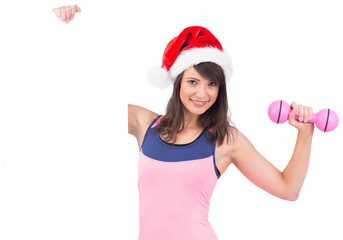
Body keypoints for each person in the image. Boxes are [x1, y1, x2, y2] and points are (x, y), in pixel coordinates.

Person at [128, 26, 314, 240]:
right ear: (178, 82)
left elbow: (288, 189)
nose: (202, 93)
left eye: (212, 84)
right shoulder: (144, 123)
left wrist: (305, 133)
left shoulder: (226, 140)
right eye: (192, 82)